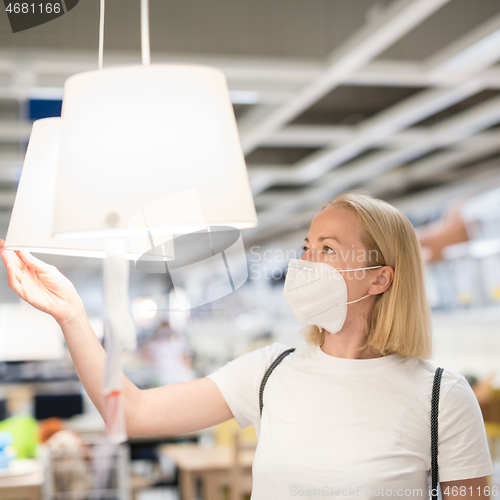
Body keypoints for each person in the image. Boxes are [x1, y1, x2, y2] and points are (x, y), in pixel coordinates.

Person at [0, 192, 493, 500]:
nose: (305, 262)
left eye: (328, 250)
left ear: (380, 278)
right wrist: (71, 314)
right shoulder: (269, 370)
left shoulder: (442, 398)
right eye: (306, 245)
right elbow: (132, 413)